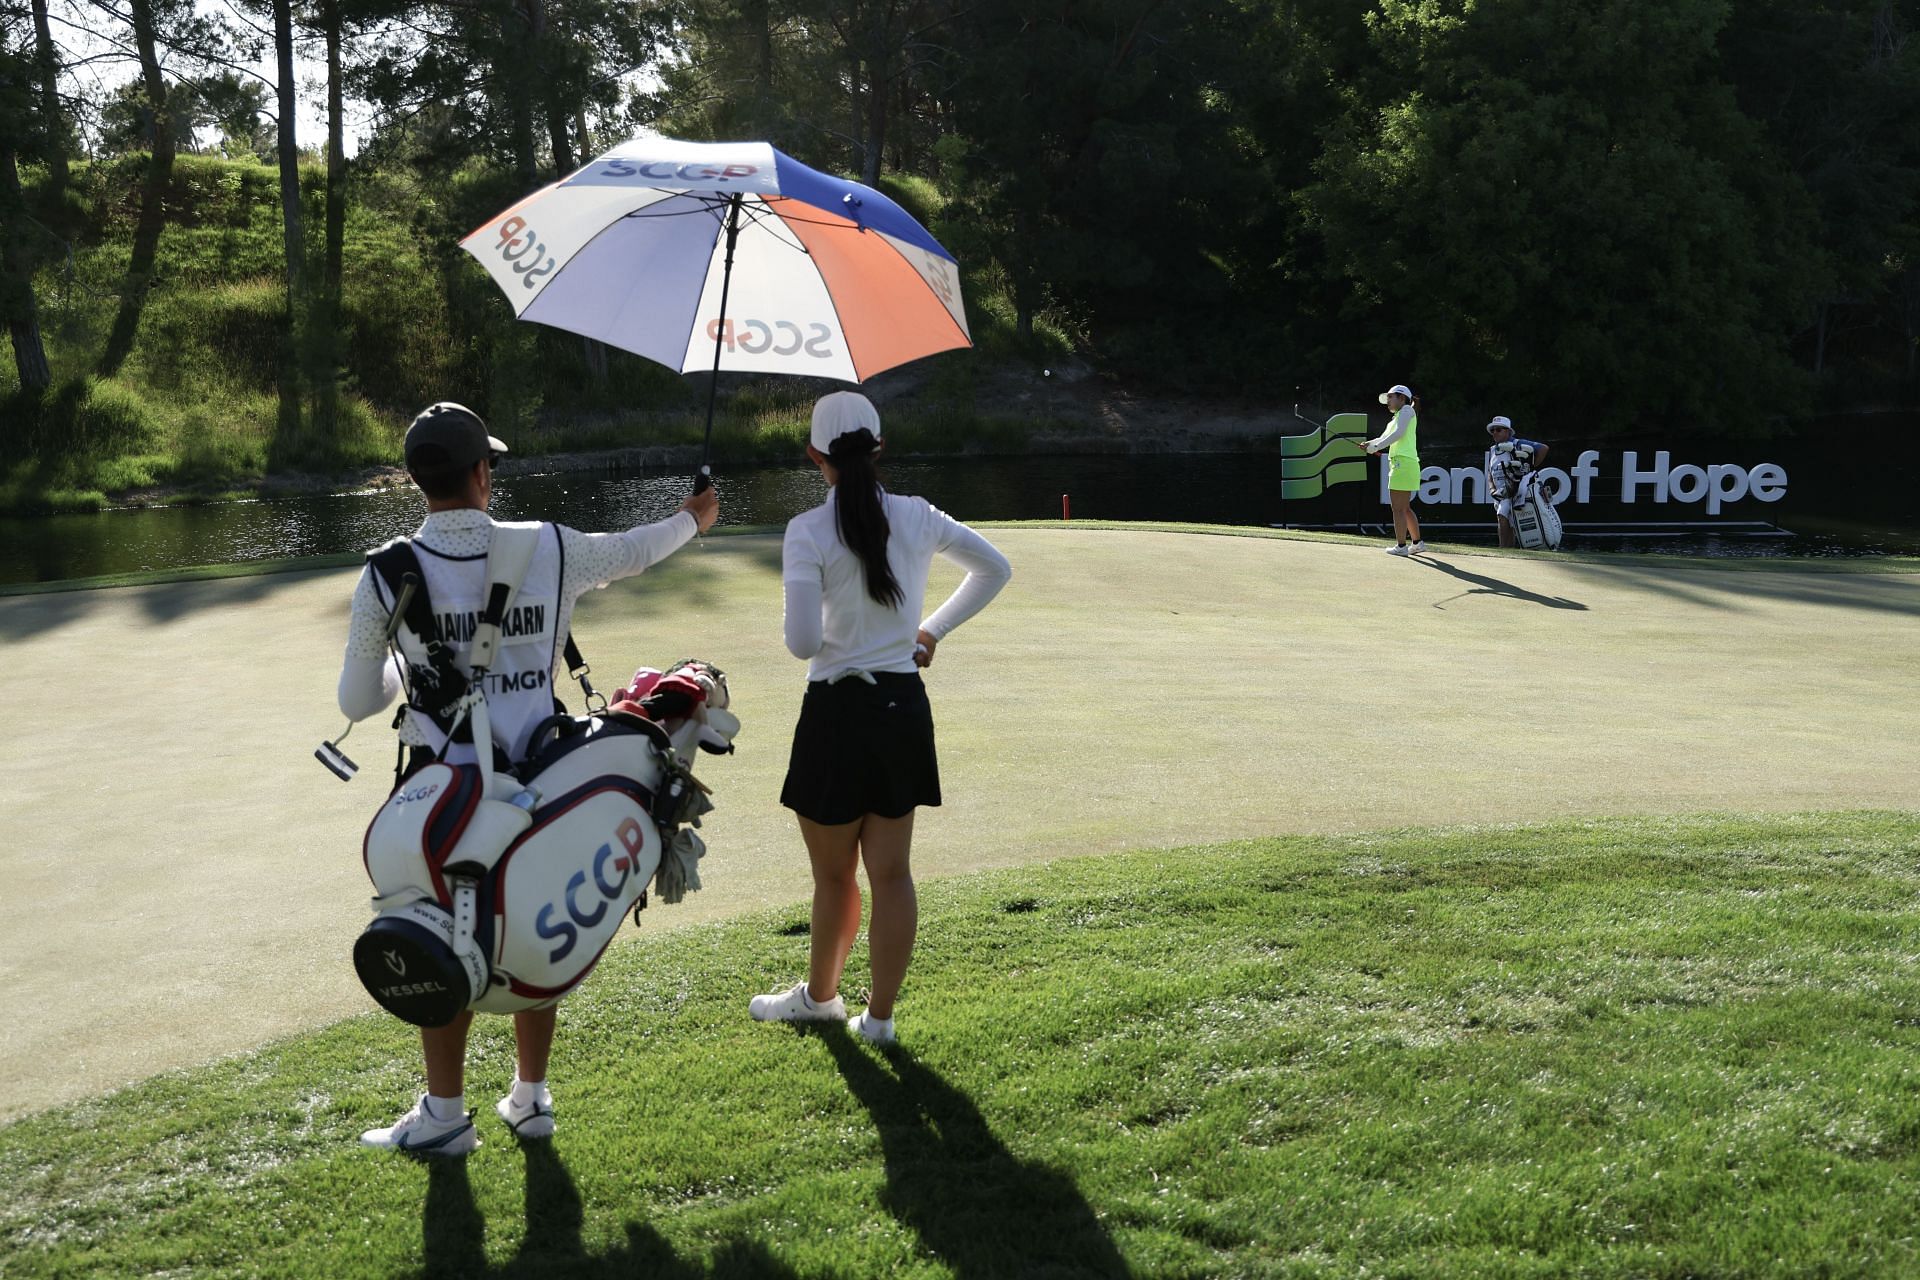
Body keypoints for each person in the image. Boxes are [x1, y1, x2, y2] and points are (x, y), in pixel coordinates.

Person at [337, 401, 718, 1156]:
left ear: (420, 481)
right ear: (483, 473)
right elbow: (635, 551)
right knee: (531, 907)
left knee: (433, 930)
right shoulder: (550, 547)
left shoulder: (386, 572)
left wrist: (406, 665)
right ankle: (531, 1097)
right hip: (541, 769)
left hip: (440, 790)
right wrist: (694, 518)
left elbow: (356, 700)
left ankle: (446, 1116)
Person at [749, 391, 1011, 1045]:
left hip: (834, 714)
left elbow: (804, 643)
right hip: (900, 709)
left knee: (833, 876)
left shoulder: (807, 531)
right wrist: (933, 630)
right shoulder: (919, 516)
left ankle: (820, 998)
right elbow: (994, 568)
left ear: (815, 456)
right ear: (879, 448)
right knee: (892, 874)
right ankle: (882, 1020)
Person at [1365, 384, 1425, 556]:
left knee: (1397, 508)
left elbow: (1398, 434)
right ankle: (1417, 543)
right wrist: (1370, 444)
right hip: (1405, 464)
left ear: (1402, 398)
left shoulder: (1407, 411)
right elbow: (1384, 437)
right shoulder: (1397, 417)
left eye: (1391, 397)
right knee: (1404, 508)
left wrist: (1376, 446)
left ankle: (1401, 546)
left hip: (1403, 464)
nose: (1388, 402)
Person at [1483, 415, 1551, 548]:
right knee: (1507, 521)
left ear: (1508, 432)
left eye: (1499, 430)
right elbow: (1490, 473)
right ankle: (1508, 552)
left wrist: (1530, 468)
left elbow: (1543, 448)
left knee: (1502, 516)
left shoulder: (1517, 443)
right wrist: (1492, 489)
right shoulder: (1493, 449)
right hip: (1499, 492)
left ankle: (1503, 550)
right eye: (1493, 430)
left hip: (1515, 488)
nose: (1495, 433)